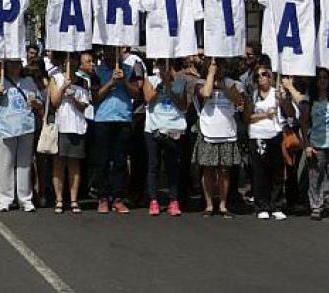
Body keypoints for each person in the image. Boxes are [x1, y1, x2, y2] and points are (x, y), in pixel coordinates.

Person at [289, 69, 329, 221]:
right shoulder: (310, 99)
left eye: (326, 78)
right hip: (317, 143)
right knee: (315, 176)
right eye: (320, 78)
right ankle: (316, 205)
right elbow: (303, 122)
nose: (323, 81)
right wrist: (307, 145)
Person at [90, 47, 141, 214]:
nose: (113, 55)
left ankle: (118, 198)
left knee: (120, 161)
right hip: (103, 119)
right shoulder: (97, 71)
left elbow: (136, 93)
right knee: (102, 161)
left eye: (116, 52)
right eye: (109, 52)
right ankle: (103, 197)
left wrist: (124, 81)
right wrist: (111, 82)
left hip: (123, 119)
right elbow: (95, 97)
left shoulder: (128, 69)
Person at [0, 59, 41, 212]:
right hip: (5, 127)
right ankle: (5, 198)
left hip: (25, 126)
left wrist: (35, 103)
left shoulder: (29, 81)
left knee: (25, 164)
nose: (15, 66)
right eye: (11, 63)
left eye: (17, 63)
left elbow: (39, 103)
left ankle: (25, 199)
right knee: (6, 164)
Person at [194, 58, 243, 218]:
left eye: (217, 65)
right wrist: (211, 75)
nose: (216, 68)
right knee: (208, 169)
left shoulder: (230, 83)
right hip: (208, 129)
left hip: (226, 130)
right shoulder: (200, 82)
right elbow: (206, 93)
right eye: (212, 65)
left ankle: (222, 204)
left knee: (224, 170)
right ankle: (209, 205)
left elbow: (238, 100)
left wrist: (222, 85)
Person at [143, 59, 191, 217]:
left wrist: (170, 87)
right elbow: (148, 98)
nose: (164, 68)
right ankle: (153, 200)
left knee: (173, 166)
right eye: (161, 65)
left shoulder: (180, 82)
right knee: (153, 165)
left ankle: (173, 200)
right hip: (153, 127)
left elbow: (183, 105)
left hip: (174, 127)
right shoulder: (150, 79)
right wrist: (160, 85)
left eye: (167, 66)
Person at [245, 65, 290, 220]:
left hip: (275, 135)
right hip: (258, 136)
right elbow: (248, 117)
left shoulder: (277, 93)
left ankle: (276, 204)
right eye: (258, 76)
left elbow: (290, 113)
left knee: (277, 171)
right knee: (260, 173)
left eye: (264, 74)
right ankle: (261, 206)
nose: (262, 78)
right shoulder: (253, 95)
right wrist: (265, 115)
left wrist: (283, 100)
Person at [48, 52, 92, 214]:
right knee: (59, 164)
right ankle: (59, 199)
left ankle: (73, 200)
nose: (71, 62)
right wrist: (63, 87)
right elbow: (54, 101)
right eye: (68, 59)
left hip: (77, 126)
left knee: (74, 164)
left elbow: (84, 105)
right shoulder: (55, 78)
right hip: (60, 126)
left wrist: (73, 96)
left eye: (74, 59)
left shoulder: (82, 81)